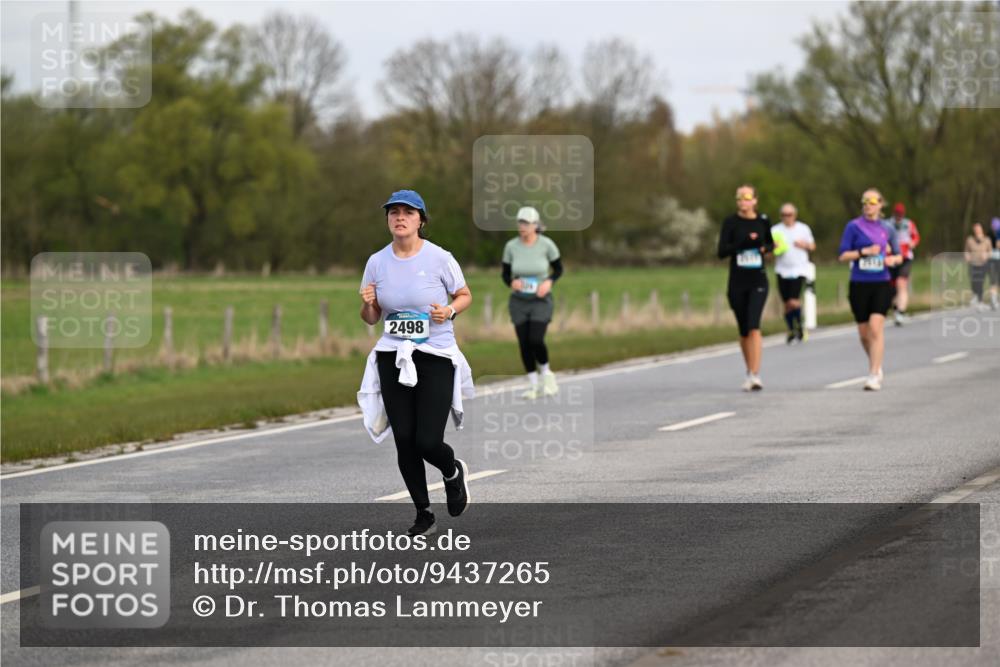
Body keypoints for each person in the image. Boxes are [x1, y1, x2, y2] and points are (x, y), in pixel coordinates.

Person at [357, 189, 475, 536]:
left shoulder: (440, 258)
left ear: (421, 220)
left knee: (426, 440)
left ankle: (452, 471)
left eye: (408, 212)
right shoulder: (376, 262)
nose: (399, 217)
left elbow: (465, 294)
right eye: (393, 212)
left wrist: (450, 310)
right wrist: (367, 303)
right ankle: (423, 513)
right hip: (393, 355)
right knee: (404, 439)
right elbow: (371, 318)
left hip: (435, 354)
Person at [838, 188, 902, 391]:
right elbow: (842, 255)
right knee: (864, 334)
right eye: (865, 201)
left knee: (876, 328)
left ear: (881, 204)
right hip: (859, 283)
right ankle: (877, 363)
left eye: (873, 202)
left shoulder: (888, 228)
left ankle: (873, 374)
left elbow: (900, 255)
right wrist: (863, 252)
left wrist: (893, 259)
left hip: (881, 282)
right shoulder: (853, 226)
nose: (868, 205)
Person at [502, 206, 564, 399]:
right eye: (520, 222)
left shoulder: (547, 245)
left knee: (535, 339)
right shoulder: (511, 246)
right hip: (519, 301)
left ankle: (547, 376)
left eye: (527, 223)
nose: (522, 226)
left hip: (541, 300)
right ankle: (533, 384)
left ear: (535, 225)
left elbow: (559, 269)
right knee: (524, 343)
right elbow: (505, 274)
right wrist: (512, 282)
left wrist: (549, 282)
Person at [717, 184, 774, 391]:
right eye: (739, 197)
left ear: (755, 200)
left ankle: (756, 374)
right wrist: (739, 245)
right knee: (743, 331)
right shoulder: (730, 222)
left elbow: (770, 245)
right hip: (737, 281)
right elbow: (721, 251)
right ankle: (749, 370)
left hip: (758, 280)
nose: (743, 201)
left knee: (754, 325)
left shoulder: (763, 221)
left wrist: (763, 248)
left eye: (747, 197)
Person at [770, 203, 816, 344]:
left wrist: (805, 245)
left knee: (793, 301)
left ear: (794, 215)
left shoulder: (803, 228)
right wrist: (774, 248)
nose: (787, 218)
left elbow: (813, 246)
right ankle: (791, 329)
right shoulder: (775, 230)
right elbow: (768, 252)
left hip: (799, 269)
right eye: (784, 215)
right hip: (782, 269)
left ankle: (800, 325)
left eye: (789, 215)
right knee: (786, 304)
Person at [886, 202, 921, 325]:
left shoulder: (909, 224)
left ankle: (901, 312)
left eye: (901, 215)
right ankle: (896, 309)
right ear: (893, 213)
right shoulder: (887, 224)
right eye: (897, 214)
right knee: (890, 288)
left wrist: (913, 243)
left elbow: (916, 237)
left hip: (905, 257)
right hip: (891, 258)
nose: (899, 217)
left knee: (901, 283)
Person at [965, 222, 993, 308]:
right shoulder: (970, 240)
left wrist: (986, 255)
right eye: (975, 229)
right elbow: (966, 251)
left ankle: (980, 300)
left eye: (978, 229)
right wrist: (967, 256)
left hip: (983, 264)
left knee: (980, 281)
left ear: (981, 230)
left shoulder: (987, 240)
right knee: (974, 281)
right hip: (973, 263)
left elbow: (990, 252)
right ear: (974, 231)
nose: (977, 231)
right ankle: (974, 297)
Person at [988, 217, 1000, 310]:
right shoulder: (992, 235)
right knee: (994, 281)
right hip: (994, 259)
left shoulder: (989, 234)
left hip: (992, 259)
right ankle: (993, 300)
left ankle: (994, 300)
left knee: (994, 281)